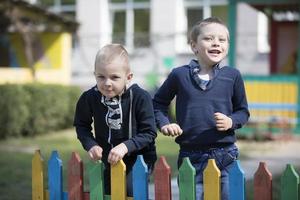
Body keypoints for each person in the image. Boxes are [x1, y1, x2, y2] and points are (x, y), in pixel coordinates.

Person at [153, 17, 249, 200]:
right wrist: (165, 124)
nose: (216, 43)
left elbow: (243, 111)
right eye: (209, 38)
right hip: (191, 156)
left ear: (227, 46)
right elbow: (158, 103)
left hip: (226, 154)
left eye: (222, 40)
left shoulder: (233, 76)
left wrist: (231, 121)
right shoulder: (179, 75)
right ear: (194, 46)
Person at [73, 43, 157, 197]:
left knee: (130, 191)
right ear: (95, 75)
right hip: (108, 159)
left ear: (128, 77)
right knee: (107, 193)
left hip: (138, 159)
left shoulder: (140, 97)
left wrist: (125, 146)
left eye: (114, 77)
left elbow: (149, 132)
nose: (107, 83)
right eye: (101, 77)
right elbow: (81, 125)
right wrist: (91, 145)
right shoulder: (90, 97)